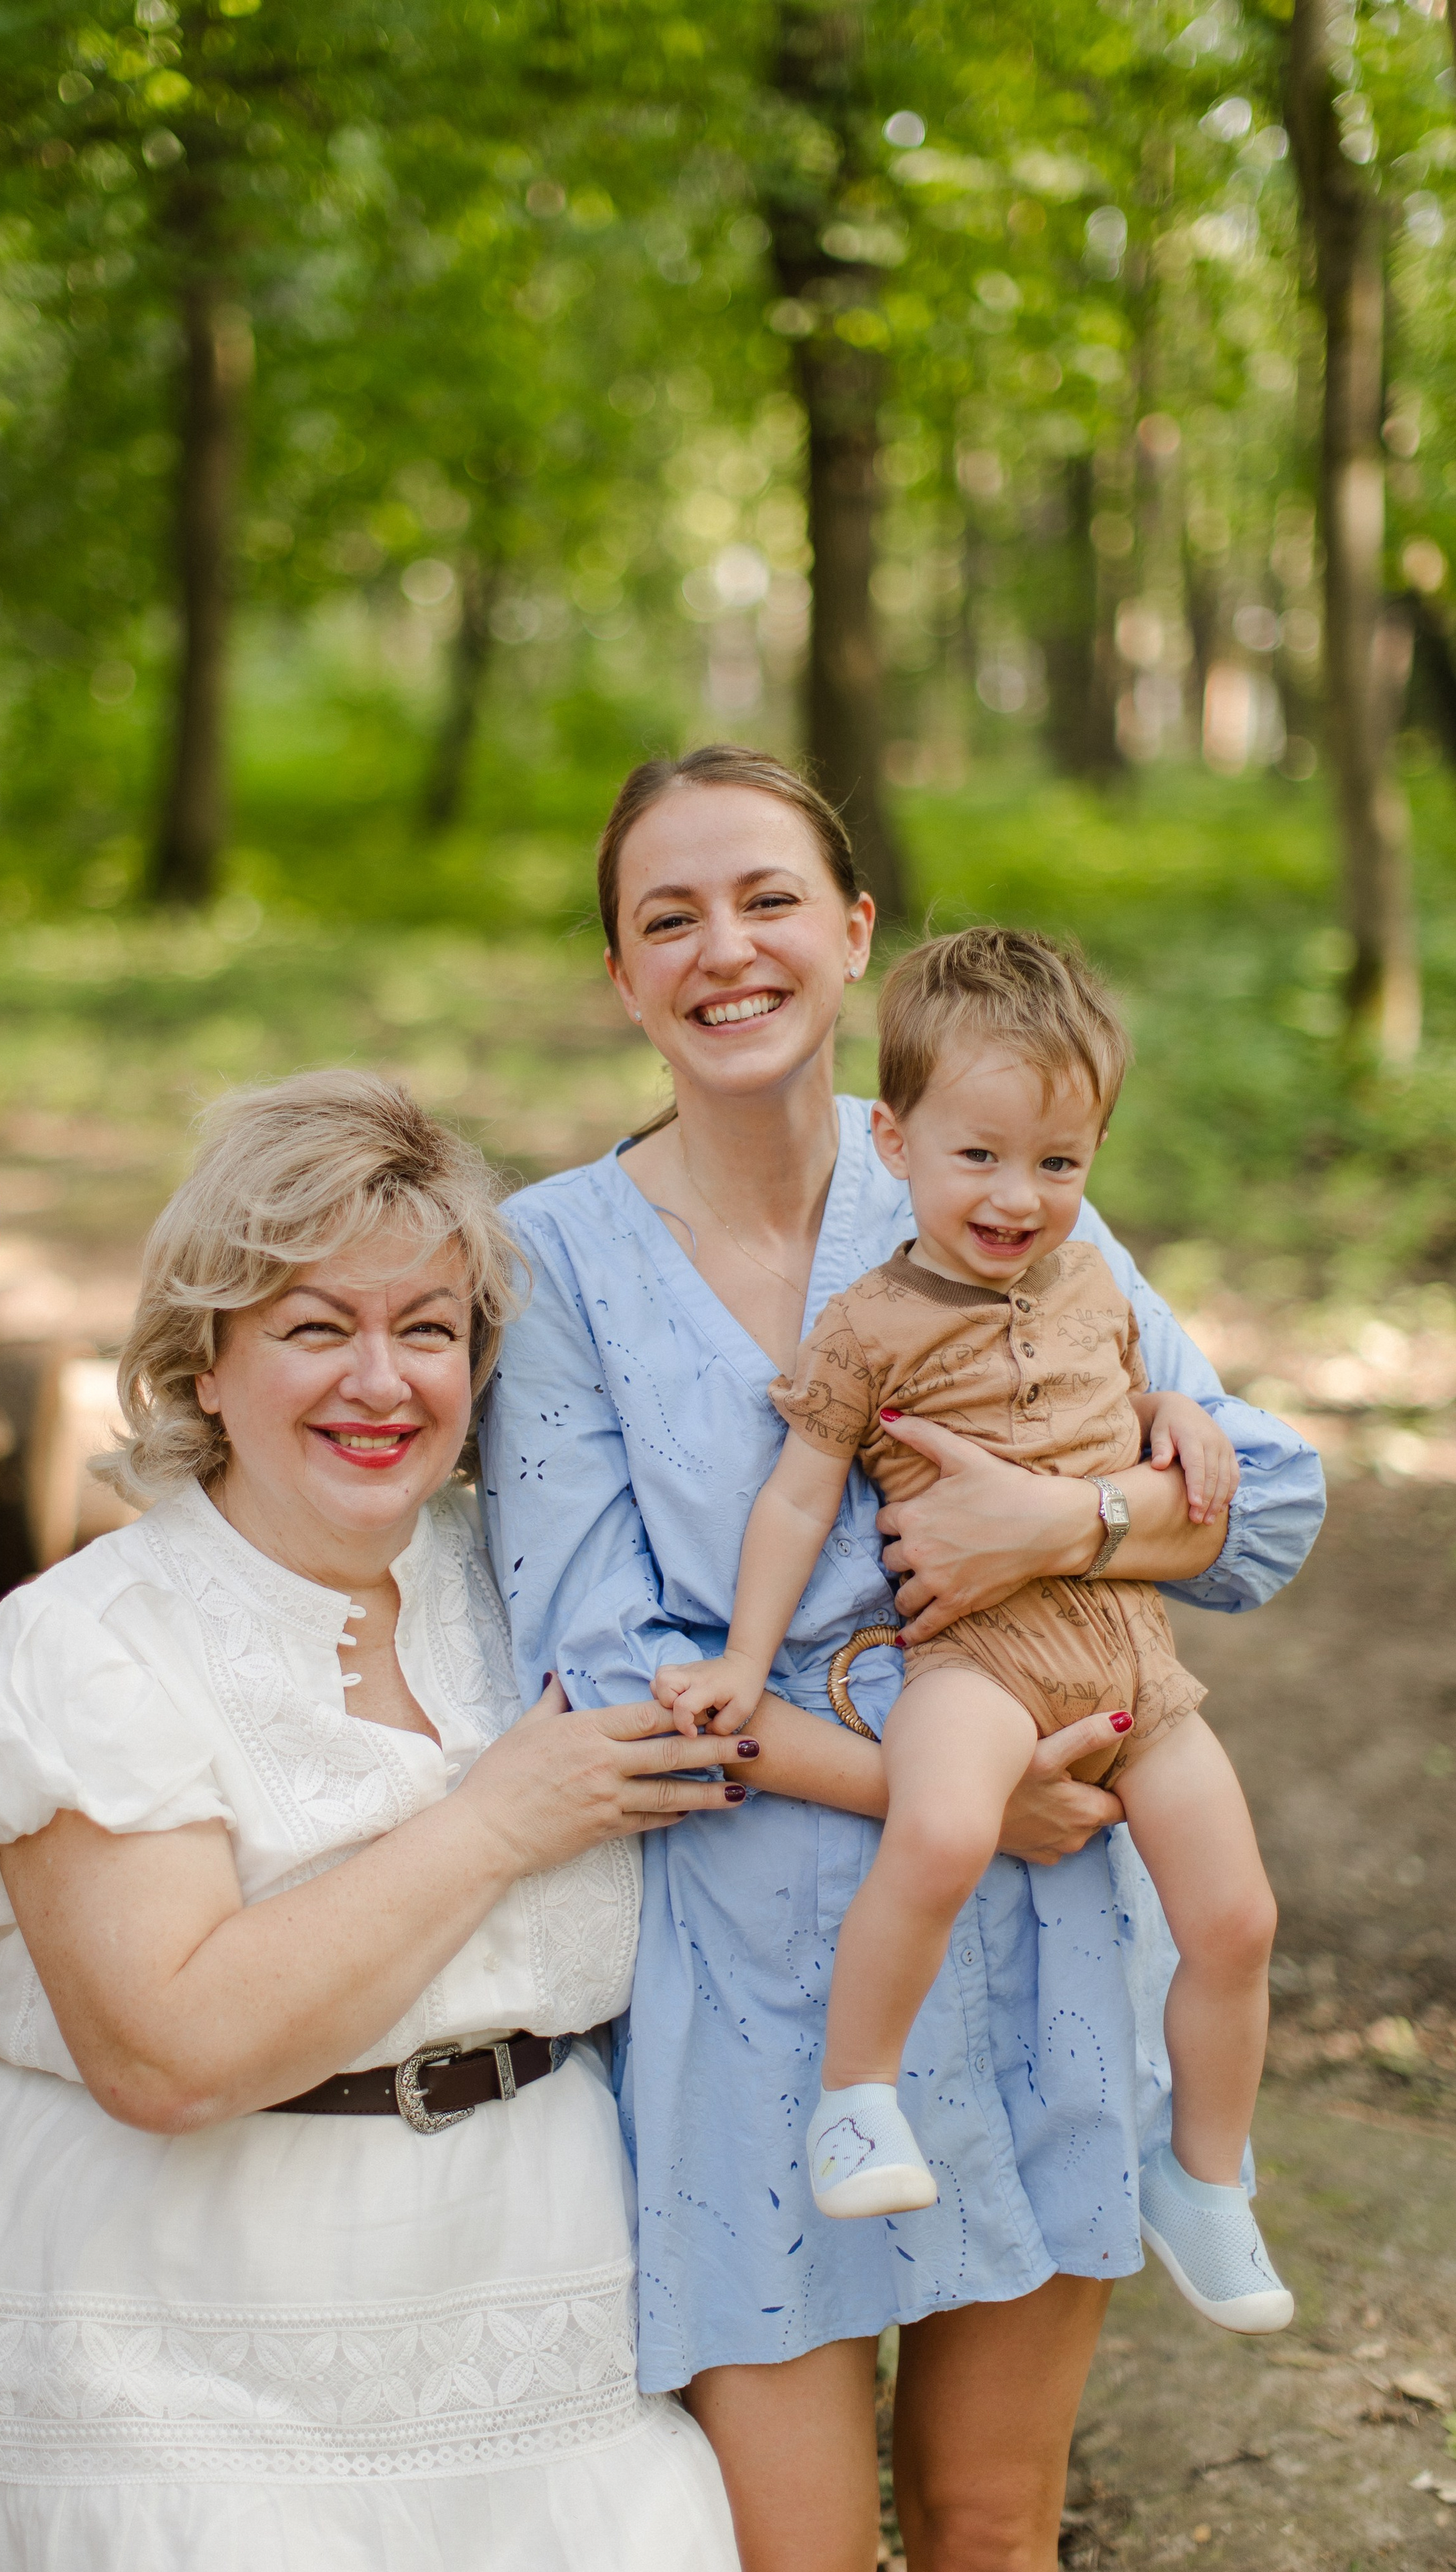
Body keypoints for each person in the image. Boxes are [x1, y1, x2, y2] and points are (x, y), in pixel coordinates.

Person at [478, 745, 1325, 2572]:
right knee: (796, 2554)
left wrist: (1065, 1522)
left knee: (991, 2522)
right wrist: (958, 1791)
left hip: (1043, 1965)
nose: (728, 948)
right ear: (620, 977)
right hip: (760, 1984)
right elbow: (601, 1678)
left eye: (770, 898)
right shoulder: (548, 1266)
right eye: (669, 916)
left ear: (853, 933)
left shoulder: (996, 1170)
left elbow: (1260, 1504)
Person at [0, 1072, 743, 2572]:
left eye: (427, 1330)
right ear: (204, 1361)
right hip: (156, 2320)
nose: (380, 1382)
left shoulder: (533, 1586)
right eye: (316, 1328)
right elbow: (164, 2050)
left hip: (526, 2291)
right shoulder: (90, 1645)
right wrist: (493, 1824)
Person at [652, 926, 1291, 2336]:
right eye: (979, 1157)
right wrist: (744, 1666)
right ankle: (854, 2101)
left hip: (1134, 1665)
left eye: (1058, 1166)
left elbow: (1138, 1402)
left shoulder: (1092, 1286)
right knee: (937, 1833)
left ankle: (1199, 2175)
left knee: (1236, 1916)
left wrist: (1178, 1417)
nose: (1019, 1197)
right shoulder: (868, 1326)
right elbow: (791, 1500)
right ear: (892, 1140)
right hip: (973, 1663)